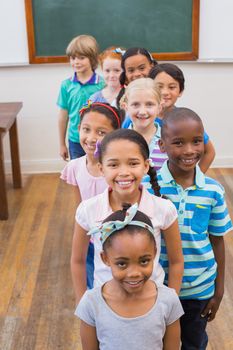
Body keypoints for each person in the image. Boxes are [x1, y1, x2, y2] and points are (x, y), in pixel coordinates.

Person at [71, 128, 183, 304]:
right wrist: (82, 301)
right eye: (113, 165)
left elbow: (176, 261)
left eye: (133, 163)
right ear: (101, 168)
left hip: (152, 302)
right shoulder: (88, 209)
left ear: (146, 166)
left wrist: (172, 301)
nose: (124, 172)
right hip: (105, 302)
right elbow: (78, 260)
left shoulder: (163, 208)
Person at [157, 107, 233, 350]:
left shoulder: (212, 190)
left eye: (197, 141)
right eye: (178, 142)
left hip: (199, 290)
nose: (189, 150)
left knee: (194, 344)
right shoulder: (149, 187)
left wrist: (218, 290)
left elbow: (217, 240)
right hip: (158, 289)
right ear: (162, 145)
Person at [75, 203, 184, 350]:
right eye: (122, 264)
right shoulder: (91, 304)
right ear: (105, 258)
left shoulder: (169, 300)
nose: (134, 273)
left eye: (144, 261)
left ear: (155, 252)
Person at [61, 102, 122, 289]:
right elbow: (80, 207)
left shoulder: (118, 168)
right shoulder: (75, 167)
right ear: (78, 129)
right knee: (93, 283)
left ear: (114, 135)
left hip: (117, 235)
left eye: (101, 132)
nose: (91, 138)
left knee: (117, 281)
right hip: (89, 237)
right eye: (86, 129)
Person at [150, 63, 216, 172]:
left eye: (172, 87)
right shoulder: (139, 119)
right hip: (148, 186)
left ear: (180, 91)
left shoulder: (184, 121)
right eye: (159, 87)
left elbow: (210, 152)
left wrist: (196, 179)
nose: (165, 92)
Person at [57, 34, 105, 161]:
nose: (76, 62)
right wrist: (62, 144)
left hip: (99, 139)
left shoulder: (102, 84)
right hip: (75, 140)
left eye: (81, 58)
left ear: (93, 59)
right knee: (78, 175)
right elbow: (63, 115)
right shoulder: (66, 85)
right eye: (73, 58)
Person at [124, 77, 168, 171]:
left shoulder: (168, 138)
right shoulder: (119, 141)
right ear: (126, 107)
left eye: (149, 104)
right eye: (136, 104)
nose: (142, 111)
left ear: (159, 108)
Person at [116, 47, 157, 113]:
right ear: (125, 74)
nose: (137, 74)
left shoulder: (161, 94)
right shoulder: (122, 102)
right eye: (131, 70)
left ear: (152, 66)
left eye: (142, 68)